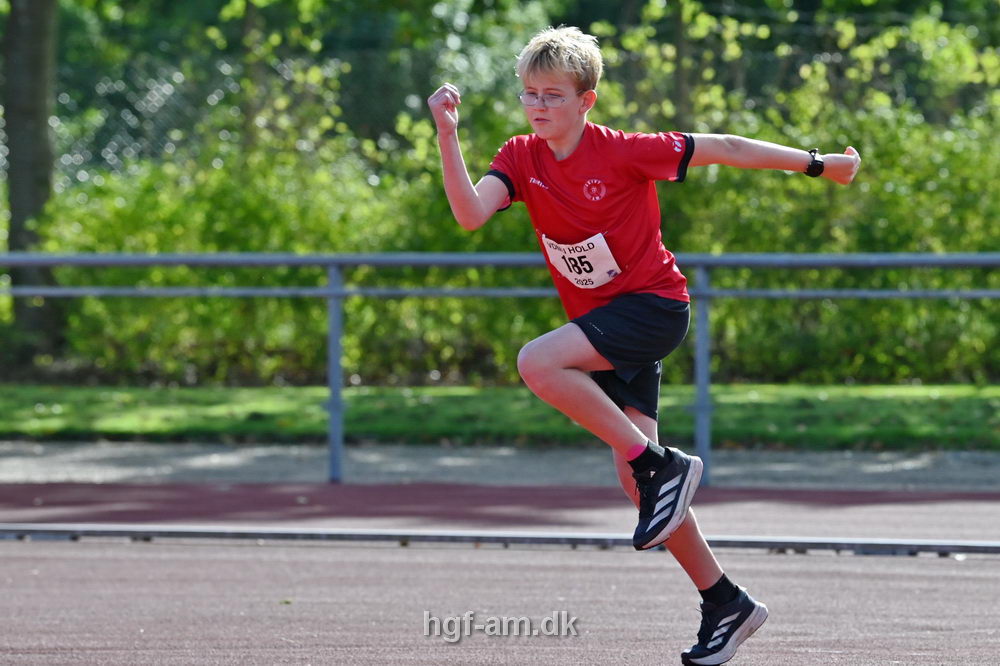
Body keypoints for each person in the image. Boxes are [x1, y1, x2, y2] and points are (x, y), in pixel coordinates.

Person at [427, 25, 860, 665]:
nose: (538, 106)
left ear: (586, 101)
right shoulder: (520, 157)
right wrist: (447, 133)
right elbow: (469, 213)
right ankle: (725, 602)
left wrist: (820, 164)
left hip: (653, 308)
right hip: (604, 328)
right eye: (529, 94)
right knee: (637, 484)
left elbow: (726, 147)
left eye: (552, 95)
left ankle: (662, 463)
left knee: (538, 363)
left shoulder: (623, 151)